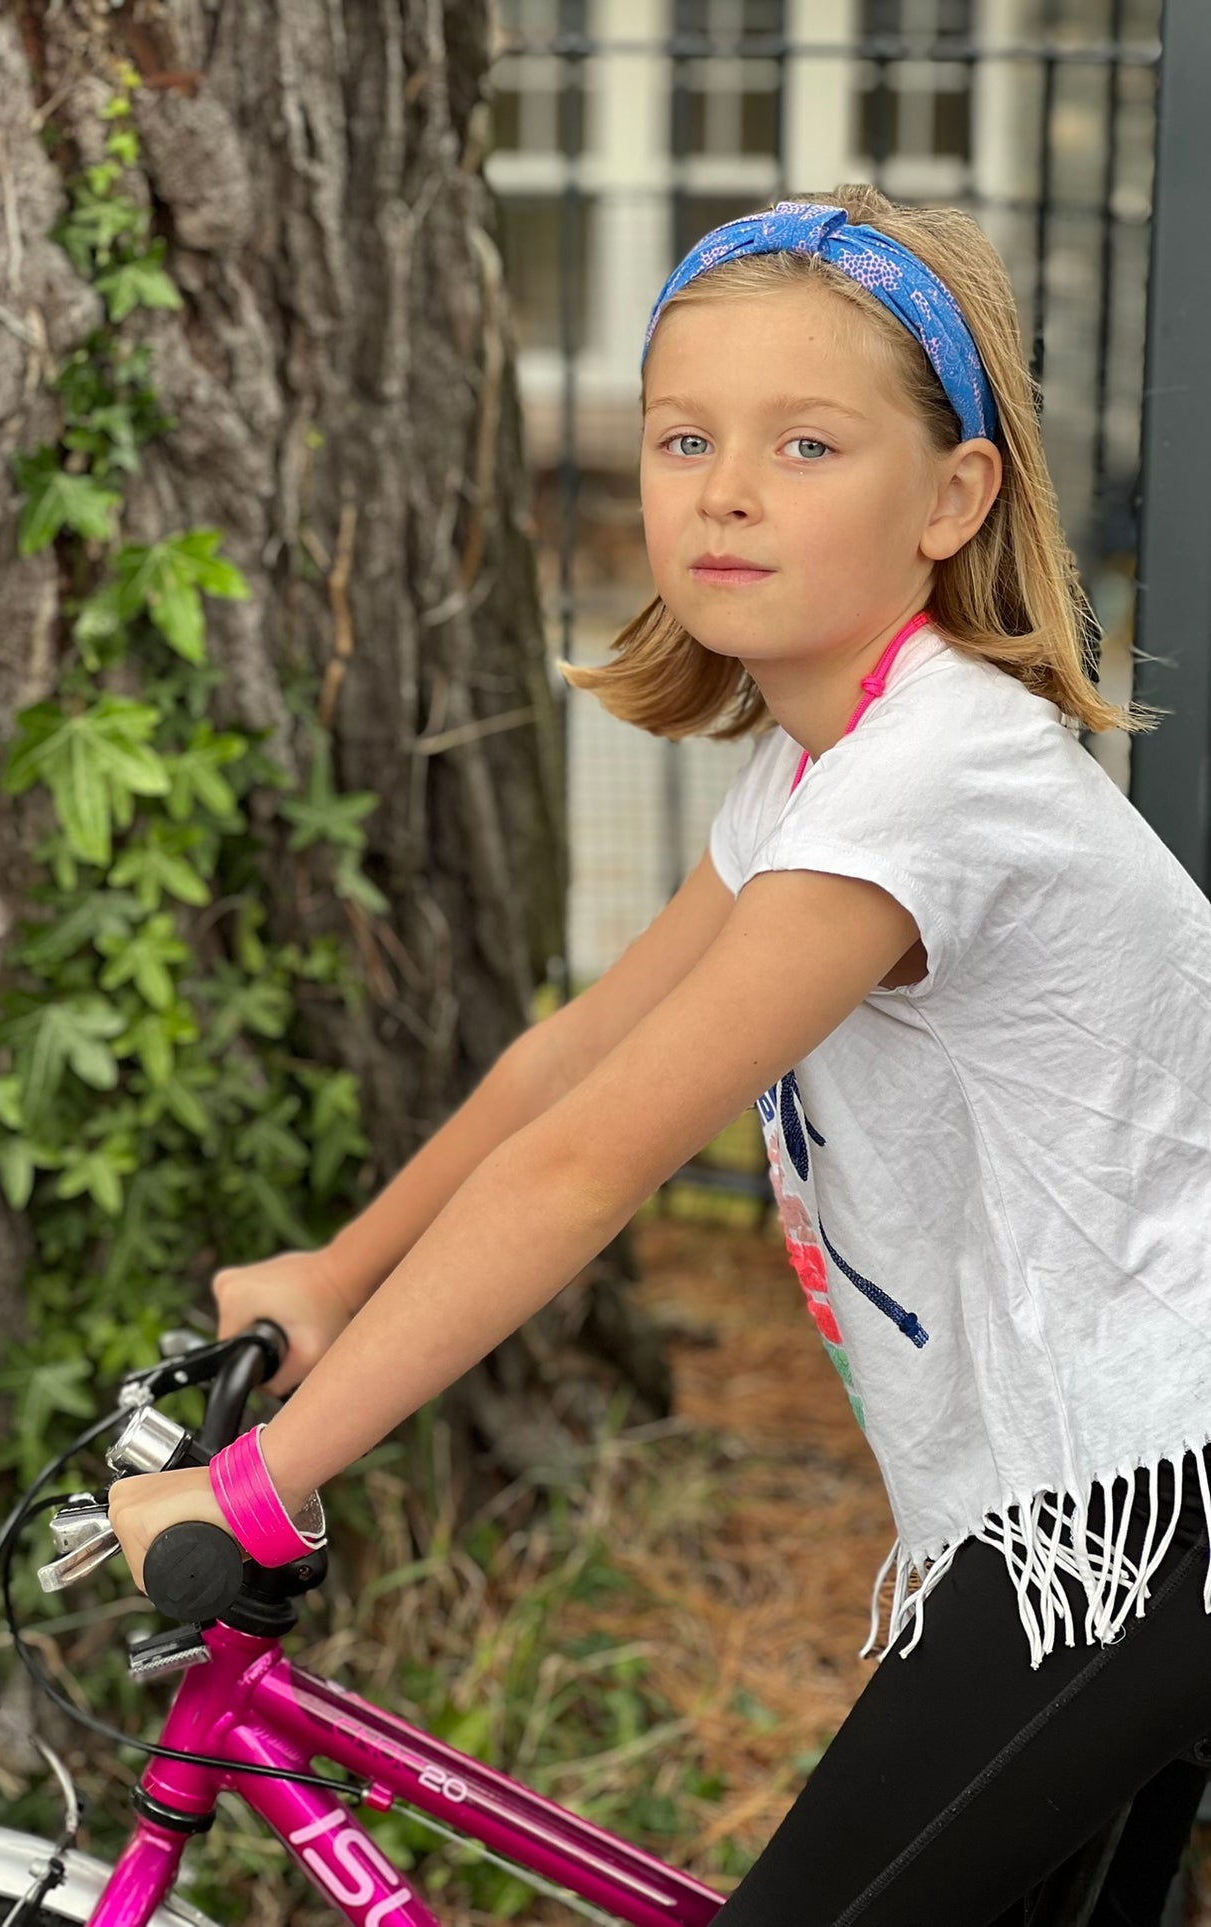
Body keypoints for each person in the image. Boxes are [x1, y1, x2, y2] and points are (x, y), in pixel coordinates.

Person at [108, 185, 1211, 1924]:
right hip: (1087, 1504)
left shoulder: (931, 788)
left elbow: (592, 1163)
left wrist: (264, 1480)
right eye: (683, 436)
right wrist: (338, 1268)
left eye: (804, 444)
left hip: (1149, 1514)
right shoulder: (821, 771)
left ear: (952, 498)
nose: (726, 489)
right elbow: (573, 1059)